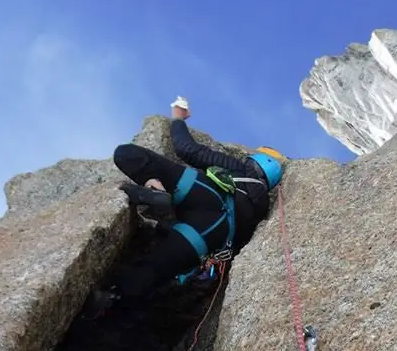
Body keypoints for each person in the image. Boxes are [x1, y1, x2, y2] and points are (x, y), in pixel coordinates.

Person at [94, 96, 285, 307]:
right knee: (153, 268)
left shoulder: (238, 168)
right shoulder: (259, 212)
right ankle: (111, 296)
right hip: (210, 233)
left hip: (201, 191)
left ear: (254, 161)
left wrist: (178, 118)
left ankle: (154, 187)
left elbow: (186, 148)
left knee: (126, 153)